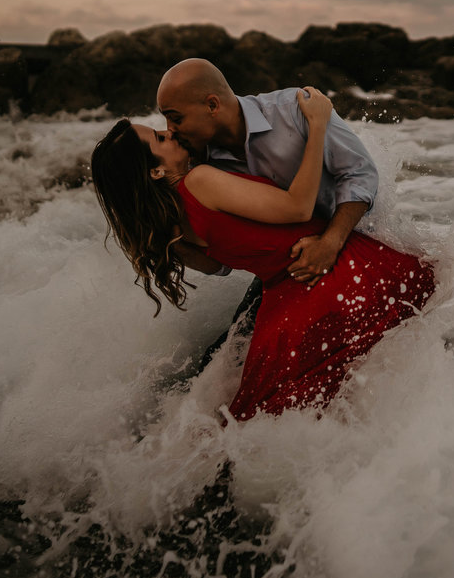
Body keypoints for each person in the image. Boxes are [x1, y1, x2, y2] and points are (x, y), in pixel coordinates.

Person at [91, 88, 435, 420]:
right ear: (155, 170)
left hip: (284, 305)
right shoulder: (199, 181)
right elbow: (298, 208)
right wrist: (317, 125)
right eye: (160, 139)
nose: (170, 134)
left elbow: (220, 264)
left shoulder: (170, 229)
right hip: (335, 274)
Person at [155, 58, 380, 372]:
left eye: (175, 118)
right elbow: (221, 265)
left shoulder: (295, 109)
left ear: (211, 105)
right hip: (288, 272)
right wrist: (167, 240)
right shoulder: (198, 166)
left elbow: (360, 174)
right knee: (219, 362)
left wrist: (330, 242)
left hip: (353, 248)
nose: (170, 131)